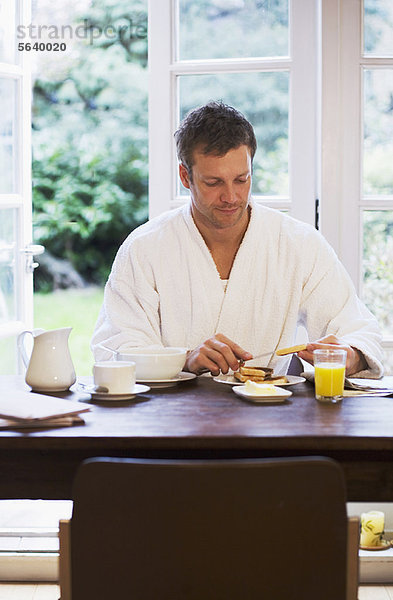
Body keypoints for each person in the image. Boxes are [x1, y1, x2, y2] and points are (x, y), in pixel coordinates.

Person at [91, 101, 383, 378]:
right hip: (172, 420)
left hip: (270, 417)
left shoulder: (298, 243)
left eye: (241, 179)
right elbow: (116, 348)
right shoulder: (144, 248)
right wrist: (185, 360)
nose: (231, 197)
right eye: (213, 182)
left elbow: (356, 328)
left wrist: (351, 355)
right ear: (185, 176)